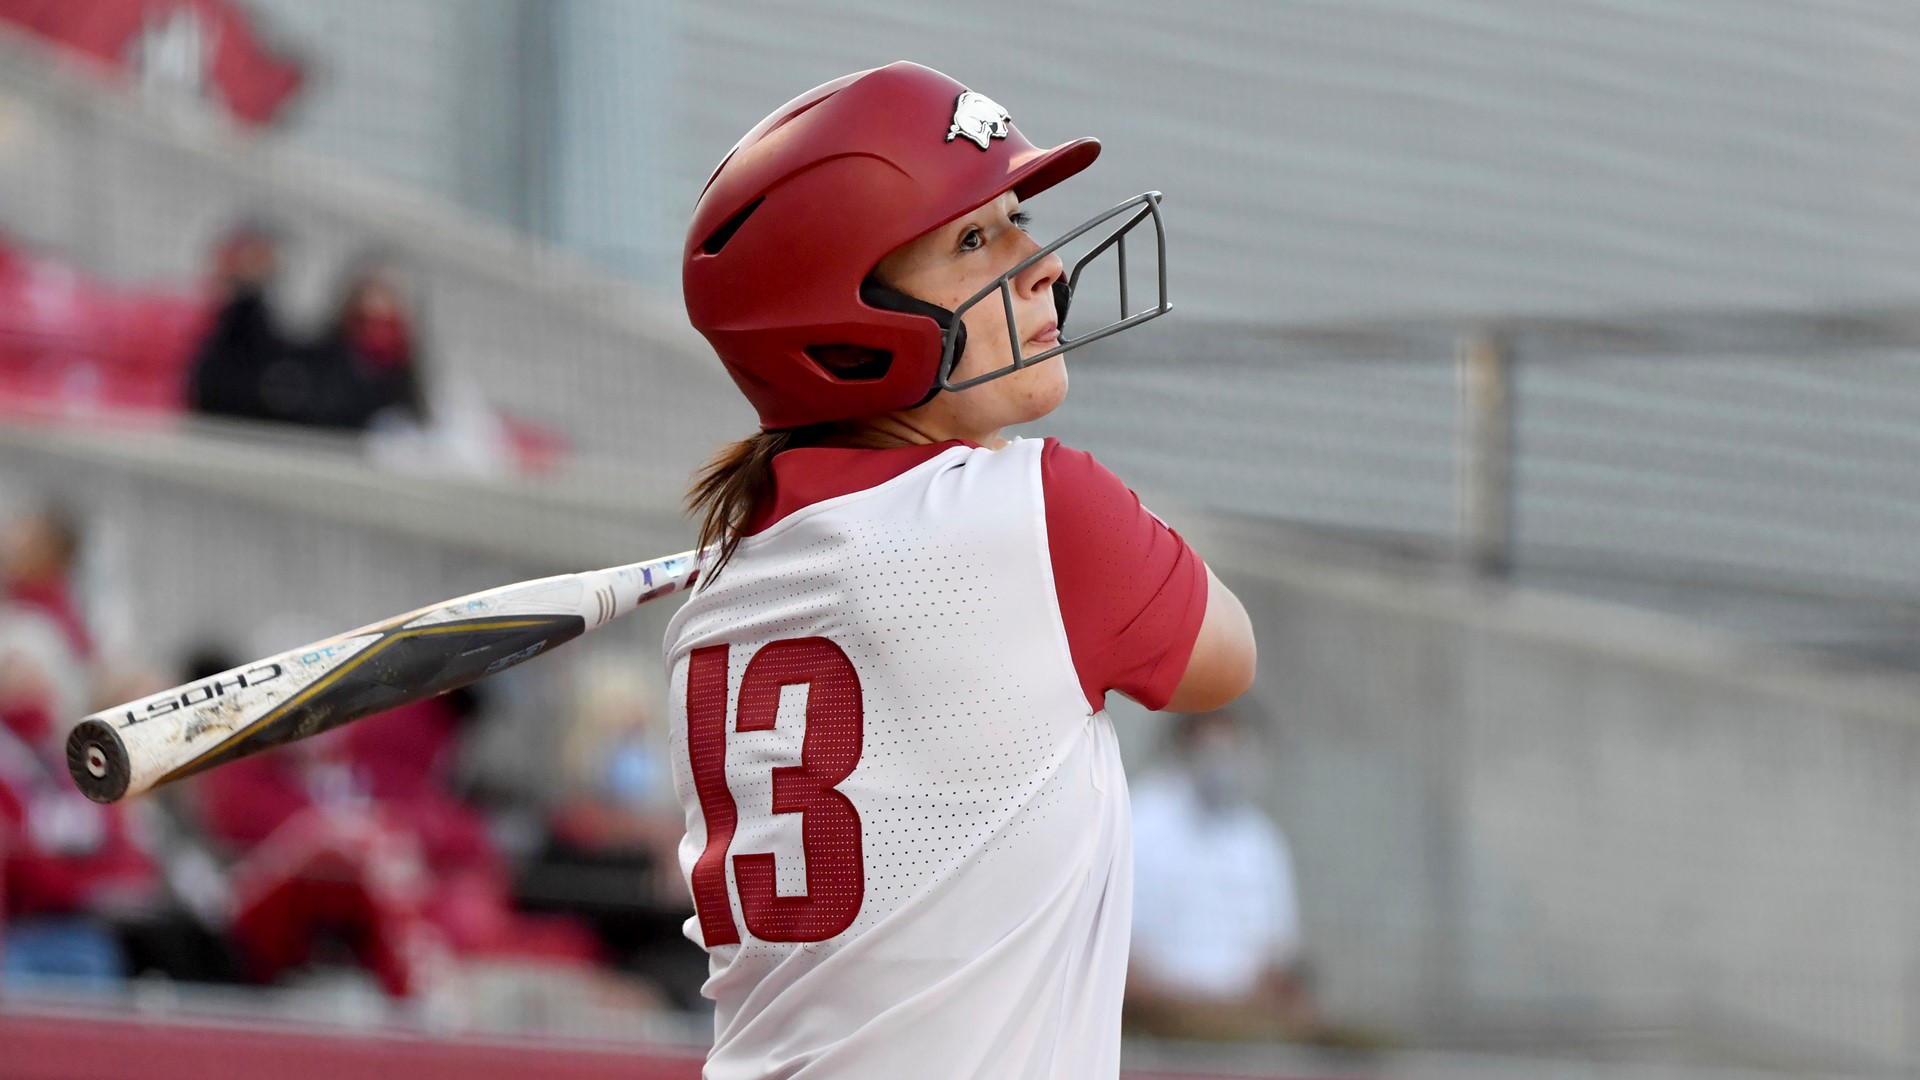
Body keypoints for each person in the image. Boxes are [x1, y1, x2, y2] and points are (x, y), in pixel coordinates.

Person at [664, 62, 1257, 1078]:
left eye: (1016, 221)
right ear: (847, 323)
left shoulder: (721, 591)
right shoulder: (1041, 509)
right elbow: (1226, 659)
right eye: (974, 241)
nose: (1044, 265)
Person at [1126, 709, 1322, 1041]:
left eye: (1233, 747)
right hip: (1153, 1020)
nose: (1222, 761)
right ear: (1183, 745)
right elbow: (1120, 957)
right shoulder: (1138, 819)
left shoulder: (1259, 839)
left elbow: (1278, 956)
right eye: (1212, 746)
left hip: (1241, 1021)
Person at [302, 256, 428, 432]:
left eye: (387, 292)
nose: (377, 304)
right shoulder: (321, 363)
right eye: (371, 292)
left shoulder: (404, 372)